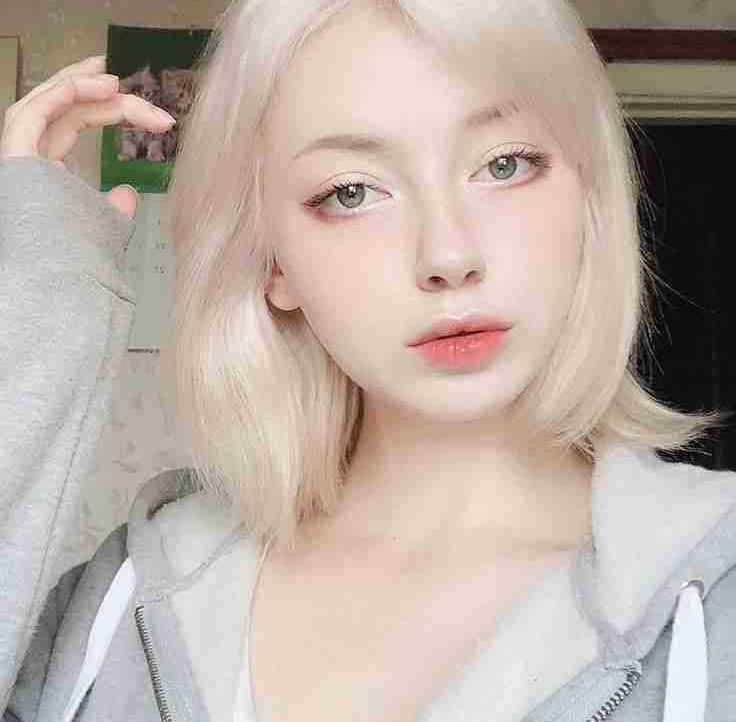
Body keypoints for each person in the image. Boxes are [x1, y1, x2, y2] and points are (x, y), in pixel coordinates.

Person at [1, 0, 735, 720]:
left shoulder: (715, 586)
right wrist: (29, 300)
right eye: (351, 192)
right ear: (272, 262)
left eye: (505, 164)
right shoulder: (120, 603)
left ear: (589, 195)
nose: (449, 255)